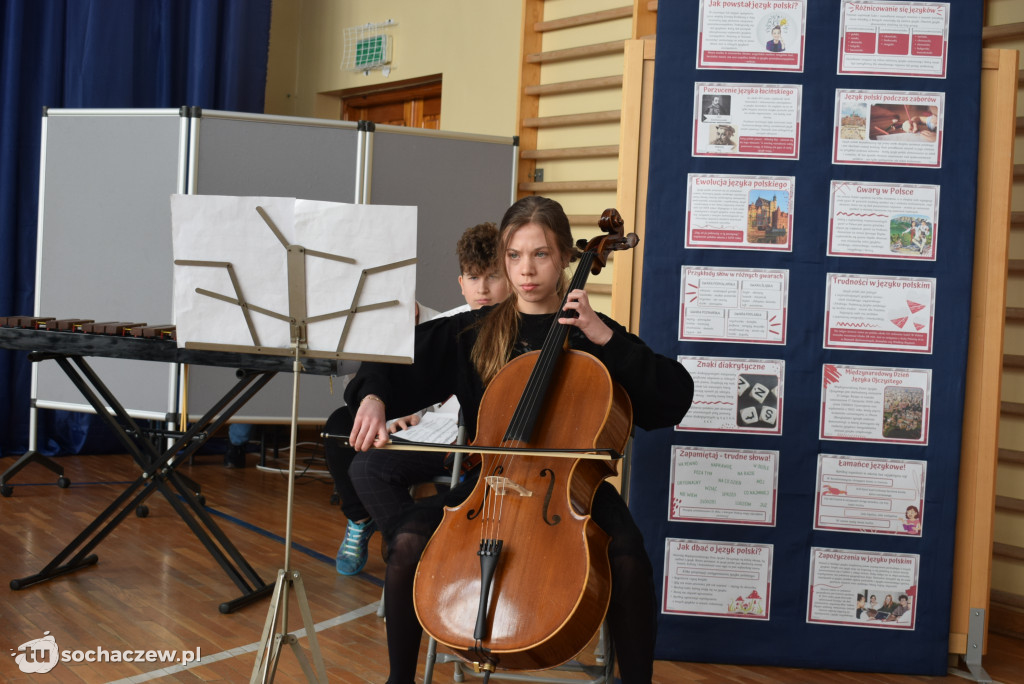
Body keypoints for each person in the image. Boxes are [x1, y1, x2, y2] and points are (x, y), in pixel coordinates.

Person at [345, 196, 694, 684]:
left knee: (629, 559)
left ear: (567, 258)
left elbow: (673, 398)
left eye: (541, 255)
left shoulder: (593, 334)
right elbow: (392, 358)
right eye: (514, 256)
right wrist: (375, 396)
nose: (526, 270)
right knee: (405, 542)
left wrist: (601, 336)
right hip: (488, 486)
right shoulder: (474, 331)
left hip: (574, 494)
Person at [324, 222, 509, 575]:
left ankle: (414, 551)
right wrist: (377, 399)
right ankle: (403, 544)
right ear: (461, 283)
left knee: (370, 463)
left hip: (472, 441)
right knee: (353, 447)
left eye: (493, 277)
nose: (483, 289)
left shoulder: (519, 324)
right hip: (434, 431)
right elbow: (390, 364)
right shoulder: (451, 324)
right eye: (473, 278)